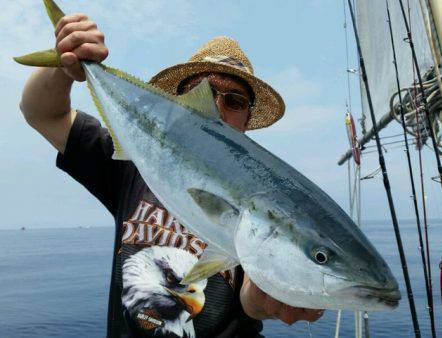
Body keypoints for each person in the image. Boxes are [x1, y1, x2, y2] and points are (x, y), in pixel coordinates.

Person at [20, 12, 324, 338]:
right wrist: (64, 65)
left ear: (246, 120)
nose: (218, 107)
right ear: (179, 102)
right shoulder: (136, 161)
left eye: (234, 100)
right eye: (203, 93)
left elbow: (250, 294)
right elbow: (42, 112)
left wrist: (265, 301)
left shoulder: (266, 194)